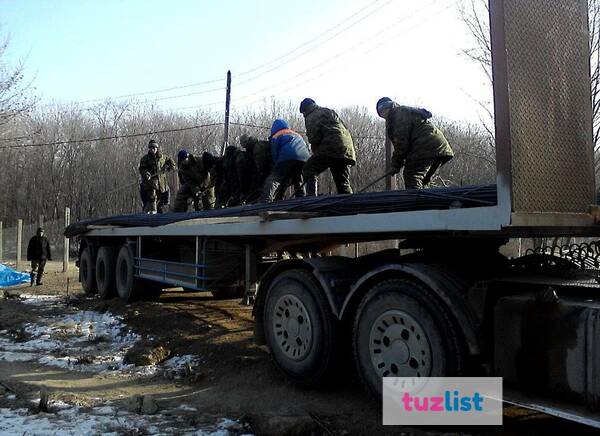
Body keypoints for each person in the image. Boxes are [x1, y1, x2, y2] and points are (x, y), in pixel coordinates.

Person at [376, 97, 454, 189]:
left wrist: (396, 164)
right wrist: (397, 164)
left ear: (391, 106)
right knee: (423, 181)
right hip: (439, 146)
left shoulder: (398, 116)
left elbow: (401, 144)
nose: (384, 113)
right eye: (381, 113)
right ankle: (427, 202)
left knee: (411, 175)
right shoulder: (402, 113)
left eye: (385, 109)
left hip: (426, 145)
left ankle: (415, 203)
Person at [299, 98, 356, 196]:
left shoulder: (311, 116)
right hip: (346, 148)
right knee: (343, 183)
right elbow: (343, 128)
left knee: (309, 168)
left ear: (304, 110)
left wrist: (316, 150)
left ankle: (311, 199)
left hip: (330, 147)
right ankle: (350, 206)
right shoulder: (328, 111)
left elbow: (314, 139)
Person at [261, 119, 311, 203]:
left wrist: (276, 164)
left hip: (286, 157)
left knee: (274, 179)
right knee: (298, 179)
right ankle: (301, 200)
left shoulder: (276, 135)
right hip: (304, 159)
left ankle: (265, 201)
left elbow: (275, 152)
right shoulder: (297, 134)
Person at [138, 139, 176, 213]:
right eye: (151, 148)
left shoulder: (162, 157)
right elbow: (142, 169)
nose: (153, 150)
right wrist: (146, 174)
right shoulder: (145, 159)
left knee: (163, 200)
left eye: (154, 148)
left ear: (157, 148)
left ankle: (160, 212)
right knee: (152, 197)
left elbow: (171, 162)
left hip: (162, 183)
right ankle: (152, 212)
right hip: (151, 183)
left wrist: (169, 166)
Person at [240, 134, 272, 203]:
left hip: (270, 173)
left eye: (245, 146)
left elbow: (261, 168)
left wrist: (258, 182)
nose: (245, 148)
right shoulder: (258, 145)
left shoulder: (257, 149)